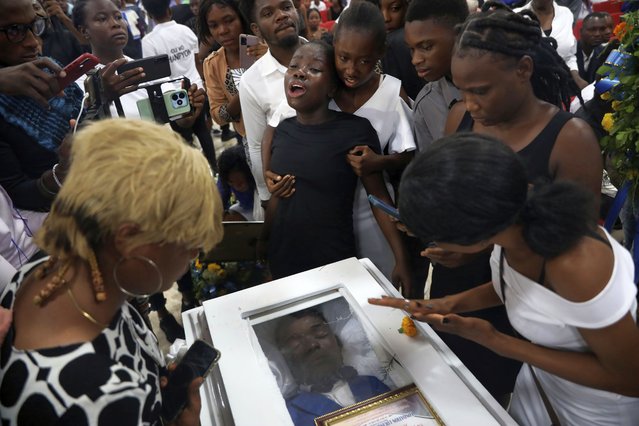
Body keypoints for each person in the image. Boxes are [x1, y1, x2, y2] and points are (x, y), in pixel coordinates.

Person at [370, 133, 639, 426]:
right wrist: (447, 303)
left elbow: (629, 380)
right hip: (544, 386)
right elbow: (518, 286)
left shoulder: (578, 267)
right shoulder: (511, 210)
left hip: (597, 409)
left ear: (471, 235)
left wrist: (496, 340)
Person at [0, 118, 224, 424]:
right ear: (129, 239)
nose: (196, 258)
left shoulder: (46, 271)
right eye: (191, 245)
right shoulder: (104, 399)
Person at [433, 2, 603, 400]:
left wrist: (480, 245)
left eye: (481, 91)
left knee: (511, 395)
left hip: (533, 300)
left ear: (523, 70)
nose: (470, 103)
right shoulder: (462, 119)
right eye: (462, 91)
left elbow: (578, 248)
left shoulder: (571, 138)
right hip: (462, 281)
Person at [263, 41, 409, 284]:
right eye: (294, 66)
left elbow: (378, 198)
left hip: (334, 260)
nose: (299, 72)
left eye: (314, 69)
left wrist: (401, 259)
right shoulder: (283, 131)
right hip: (284, 258)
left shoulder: (354, 130)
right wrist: (263, 240)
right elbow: (279, 195)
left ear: (332, 88)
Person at [0, 0, 81, 212]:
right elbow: (16, 194)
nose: (33, 42)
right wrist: (61, 174)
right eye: (14, 30)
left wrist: (102, 96)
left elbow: (83, 115)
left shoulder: (48, 68)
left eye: (35, 26)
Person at [276, 308, 390, 425]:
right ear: (286, 361)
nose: (312, 344)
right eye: (296, 344)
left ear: (338, 343)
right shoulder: (288, 414)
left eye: (320, 334)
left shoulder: (371, 383)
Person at [238, 0, 304, 203]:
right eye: (268, 13)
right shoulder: (251, 82)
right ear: (256, 30)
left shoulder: (328, 55)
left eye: (286, 7)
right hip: (293, 191)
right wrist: (267, 197)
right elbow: (257, 146)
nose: (282, 16)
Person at [406, 0, 468, 151]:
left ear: (459, 34)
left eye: (426, 47)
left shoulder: (501, 78)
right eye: (411, 49)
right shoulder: (426, 105)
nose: (415, 60)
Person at [200, 0, 264, 143]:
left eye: (229, 21)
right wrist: (245, 92)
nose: (222, 30)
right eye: (213, 26)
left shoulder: (267, 47)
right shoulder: (213, 64)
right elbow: (218, 116)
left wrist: (271, 57)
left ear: (242, 17)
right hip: (250, 140)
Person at [515, 0, 588, 89]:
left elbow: (569, 55)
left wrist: (576, 77)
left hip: (562, 84)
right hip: (529, 84)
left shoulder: (566, 13)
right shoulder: (516, 15)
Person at [379, 0, 425, 100]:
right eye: (378, 9)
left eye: (395, 8)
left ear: (408, 5)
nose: (386, 18)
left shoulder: (394, 43)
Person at [217, 144, 262, 221]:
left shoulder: (257, 171)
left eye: (240, 182)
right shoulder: (224, 176)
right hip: (244, 207)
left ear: (249, 174)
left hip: (263, 206)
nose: (236, 186)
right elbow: (218, 201)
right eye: (231, 182)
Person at [577, 11, 608, 84]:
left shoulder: (602, 53)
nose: (598, 34)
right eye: (592, 29)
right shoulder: (568, 53)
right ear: (581, 32)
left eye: (601, 30)